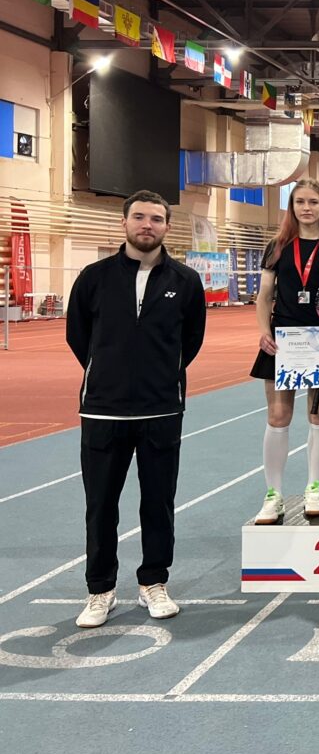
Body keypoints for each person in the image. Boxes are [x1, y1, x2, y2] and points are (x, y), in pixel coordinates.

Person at [66, 190, 206, 628]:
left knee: (158, 503)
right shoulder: (94, 278)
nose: (148, 225)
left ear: (167, 226)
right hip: (103, 412)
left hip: (161, 410)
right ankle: (100, 589)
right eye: (140, 217)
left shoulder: (186, 281)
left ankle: (153, 582)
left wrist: (161, 375)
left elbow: (192, 340)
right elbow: (78, 336)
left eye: (156, 219)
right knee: (100, 506)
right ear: (124, 223)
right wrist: (108, 373)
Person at [250, 178, 319, 524]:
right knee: (278, 417)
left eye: (313, 202)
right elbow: (264, 296)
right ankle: (273, 496)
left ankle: (314, 489)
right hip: (283, 342)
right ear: (291, 206)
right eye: (300, 202)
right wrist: (264, 333)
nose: (306, 208)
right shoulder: (277, 246)